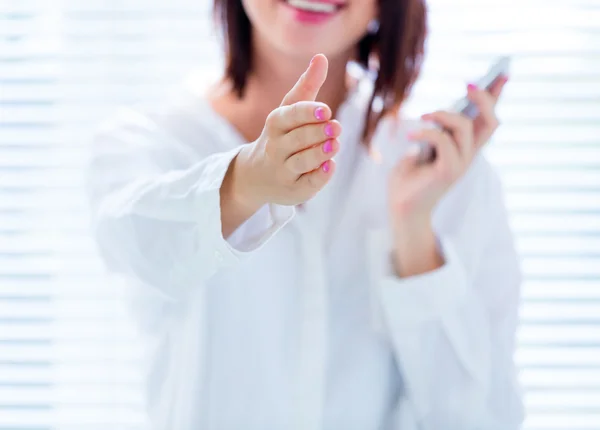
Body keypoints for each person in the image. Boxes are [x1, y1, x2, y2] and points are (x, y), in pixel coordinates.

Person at [86, 0, 524, 428]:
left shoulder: (442, 169)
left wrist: (414, 235)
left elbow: (481, 417)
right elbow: (135, 243)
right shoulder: (149, 141)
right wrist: (243, 183)